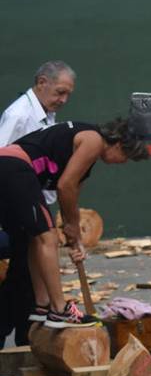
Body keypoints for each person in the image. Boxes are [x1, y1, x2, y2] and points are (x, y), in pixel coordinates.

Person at [0, 119, 146, 330]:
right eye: (126, 156)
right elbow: (65, 186)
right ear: (117, 144)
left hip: (7, 167)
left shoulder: (87, 152)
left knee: (34, 237)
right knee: (47, 237)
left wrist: (75, 239)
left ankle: (42, 304)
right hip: (14, 167)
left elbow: (73, 196)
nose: (123, 162)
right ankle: (59, 310)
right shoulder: (94, 140)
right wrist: (73, 229)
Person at [0, 61, 77, 346]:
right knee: (24, 274)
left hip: (33, 203)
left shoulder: (46, 114)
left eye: (68, 94)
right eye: (60, 92)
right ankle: (19, 335)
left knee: (27, 275)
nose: (63, 100)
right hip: (18, 204)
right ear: (42, 82)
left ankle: (25, 336)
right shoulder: (19, 114)